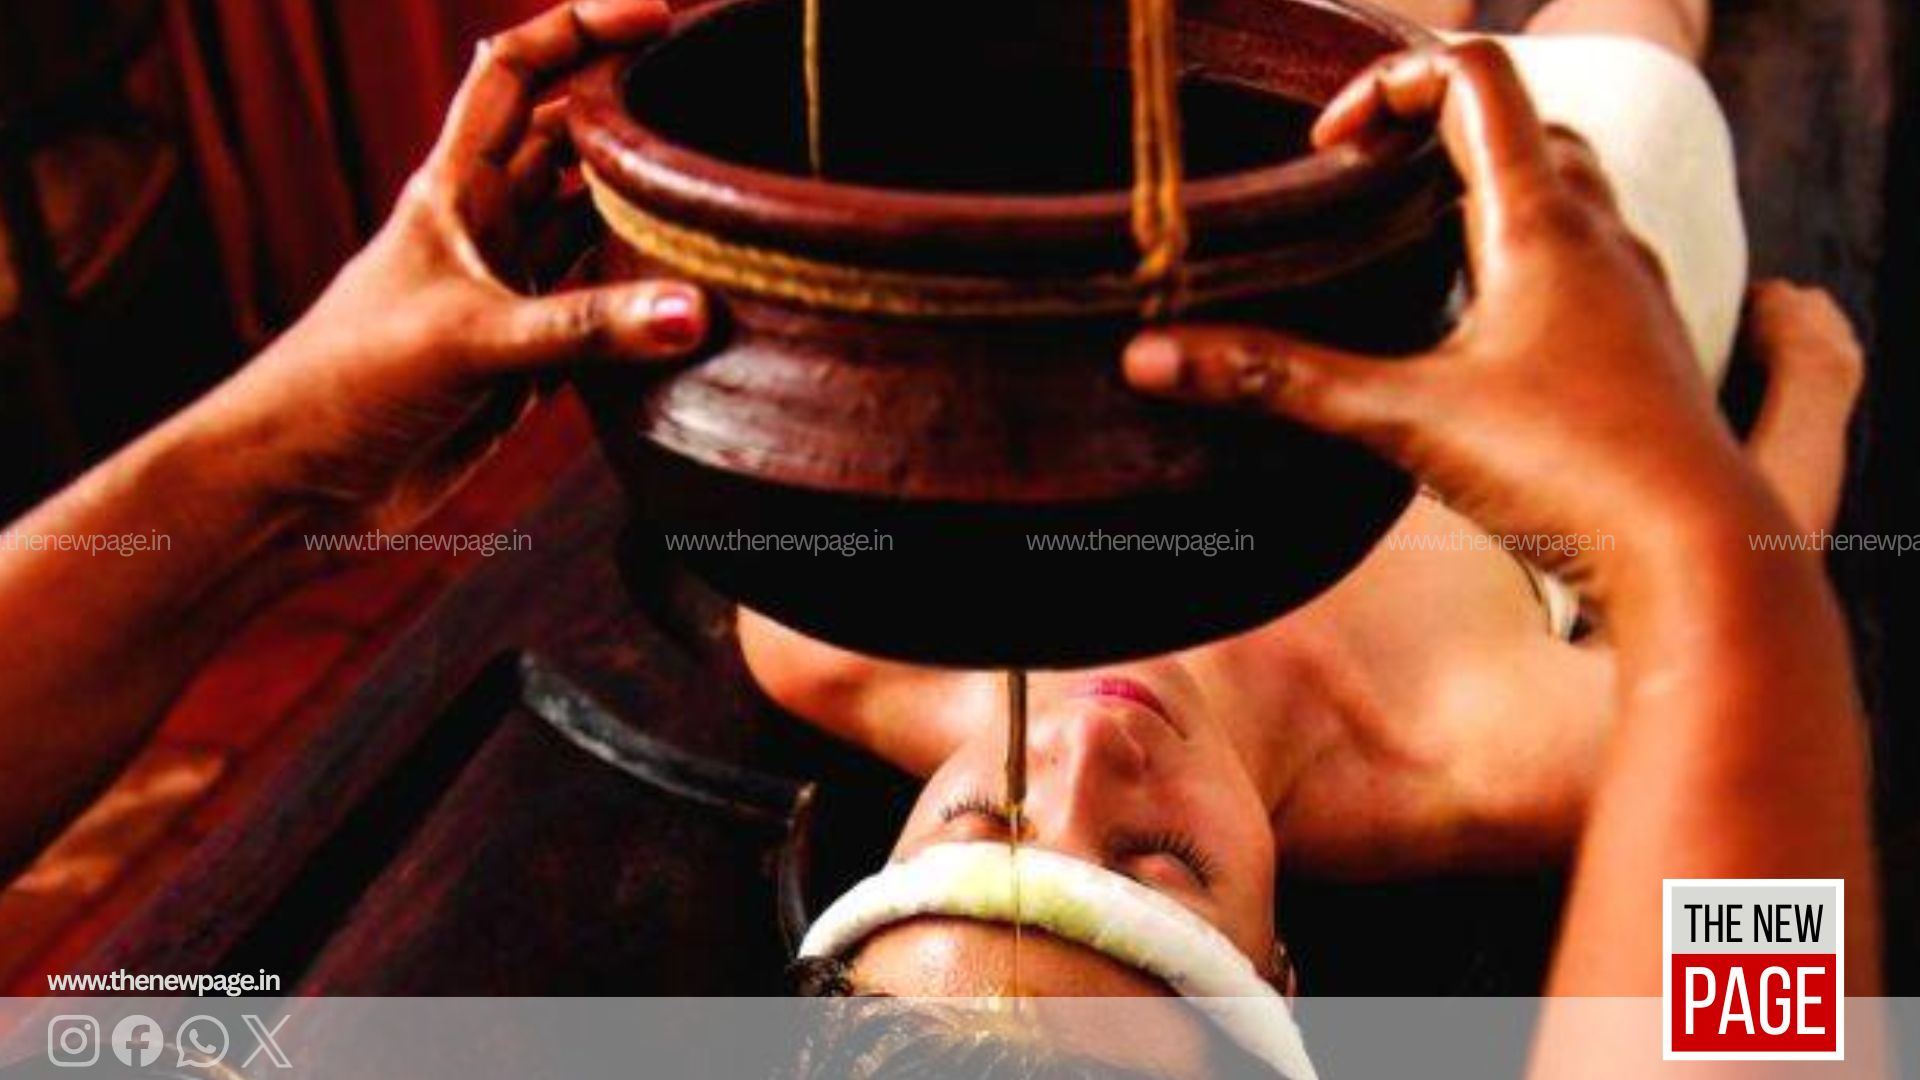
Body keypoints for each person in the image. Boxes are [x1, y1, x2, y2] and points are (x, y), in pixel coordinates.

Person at [0, 0, 1876, 1072]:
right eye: (1161, 868)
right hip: (1582, 318)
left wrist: (278, 461)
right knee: (1627, 56)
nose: (1090, 755)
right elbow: (1766, 986)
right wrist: (1760, 433)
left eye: (979, 826)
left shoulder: (827, 634)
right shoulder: (1510, 761)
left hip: (1280, 223)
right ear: (1287, 973)